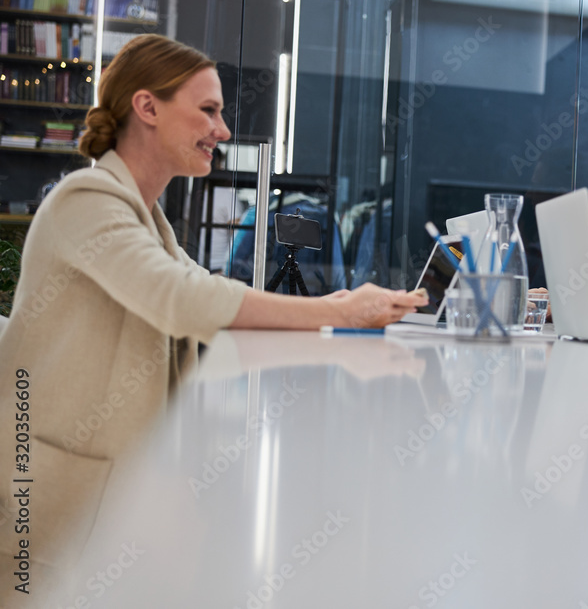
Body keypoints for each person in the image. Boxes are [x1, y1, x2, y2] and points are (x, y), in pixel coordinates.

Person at [0, 34, 426, 601]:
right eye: (208, 111)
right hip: (47, 486)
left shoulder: (147, 217)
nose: (223, 132)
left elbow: (204, 289)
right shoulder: (86, 199)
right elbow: (182, 299)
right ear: (147, 108)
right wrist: (334, 310)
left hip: (111, 480)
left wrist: (336, 320)